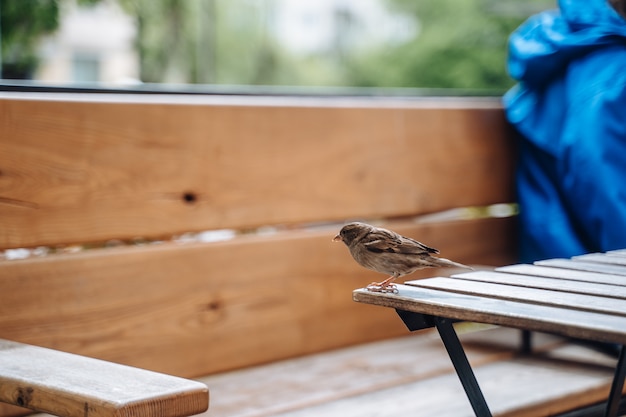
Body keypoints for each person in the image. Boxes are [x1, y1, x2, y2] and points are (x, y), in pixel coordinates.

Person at [504, 0, 626, 263]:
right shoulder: (612, 71)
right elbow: (599, 181)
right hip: (576, 263)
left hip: (568, 251)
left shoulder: (590, 44)